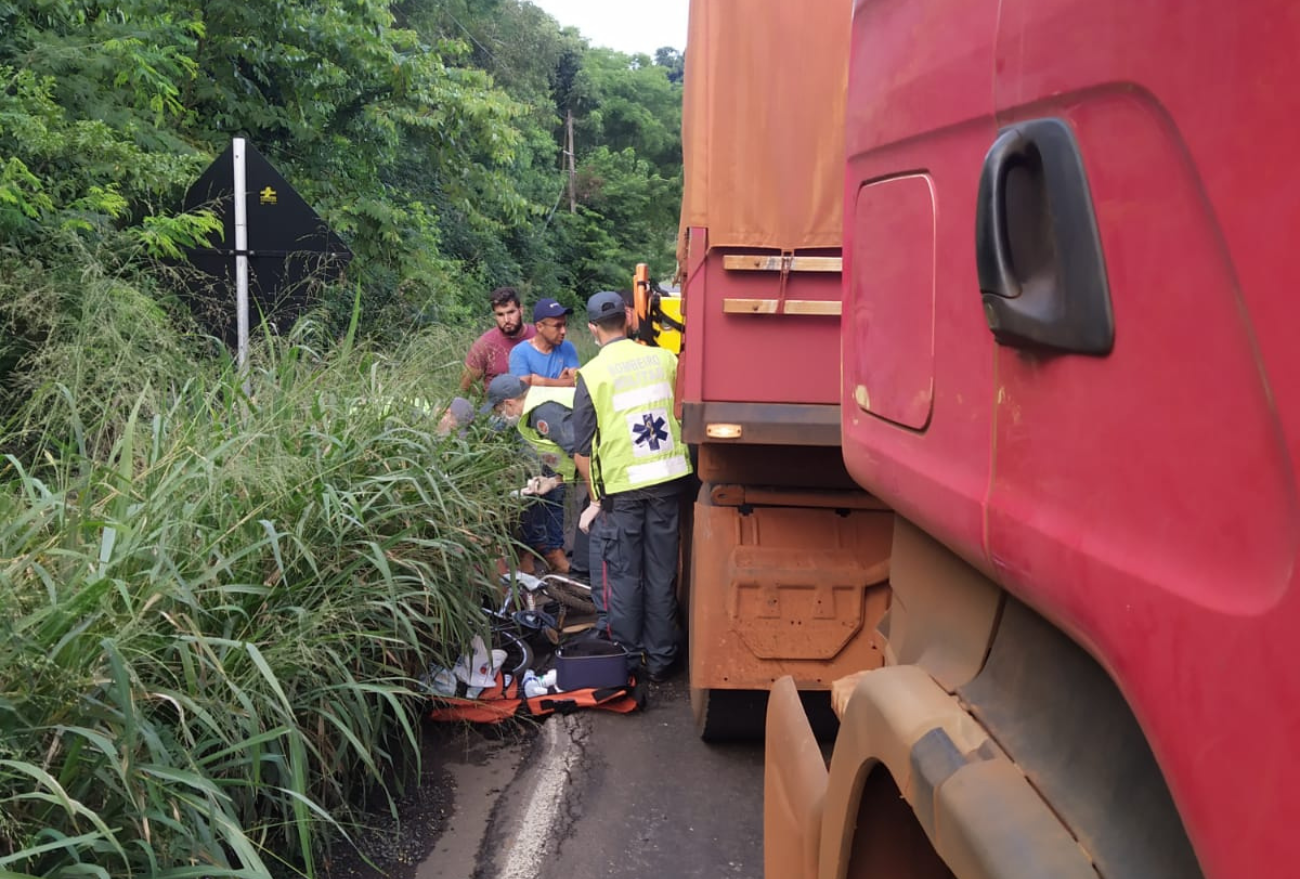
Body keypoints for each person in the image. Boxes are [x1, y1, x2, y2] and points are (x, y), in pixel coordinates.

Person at [572, 291, 692, 683]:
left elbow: (583, 449)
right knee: (661, 574)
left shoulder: (590, 375)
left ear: (592, 328)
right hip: (668, 481)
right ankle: (660, 660)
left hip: (622, 492)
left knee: (623, 577)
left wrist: (594, 498)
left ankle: (625, 662)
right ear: (627, 317)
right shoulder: (664, 358)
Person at [486, 374, 578, 575]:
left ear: (509, 403)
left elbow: (581, 451)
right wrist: (553, 481)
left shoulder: (543, 410)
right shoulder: (535, 409)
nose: (502, 416)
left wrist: (596, 500)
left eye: (500, 411)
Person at [460, 287, 536, 396]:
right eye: (500, 314)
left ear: (521, 310)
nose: (506, 320)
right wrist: (485, 401)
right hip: (500, 409)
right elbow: (465, 385)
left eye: (511, 312)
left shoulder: (540, 337)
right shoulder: (484, 345)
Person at [509, 298, 580, 388]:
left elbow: (579, 383)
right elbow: (522, 393)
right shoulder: (520, 352)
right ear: (540, 327)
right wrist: (563, 383)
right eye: (557, 326)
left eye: (564, 325)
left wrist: (544, 382)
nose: (563, 331)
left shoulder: (568, 347)